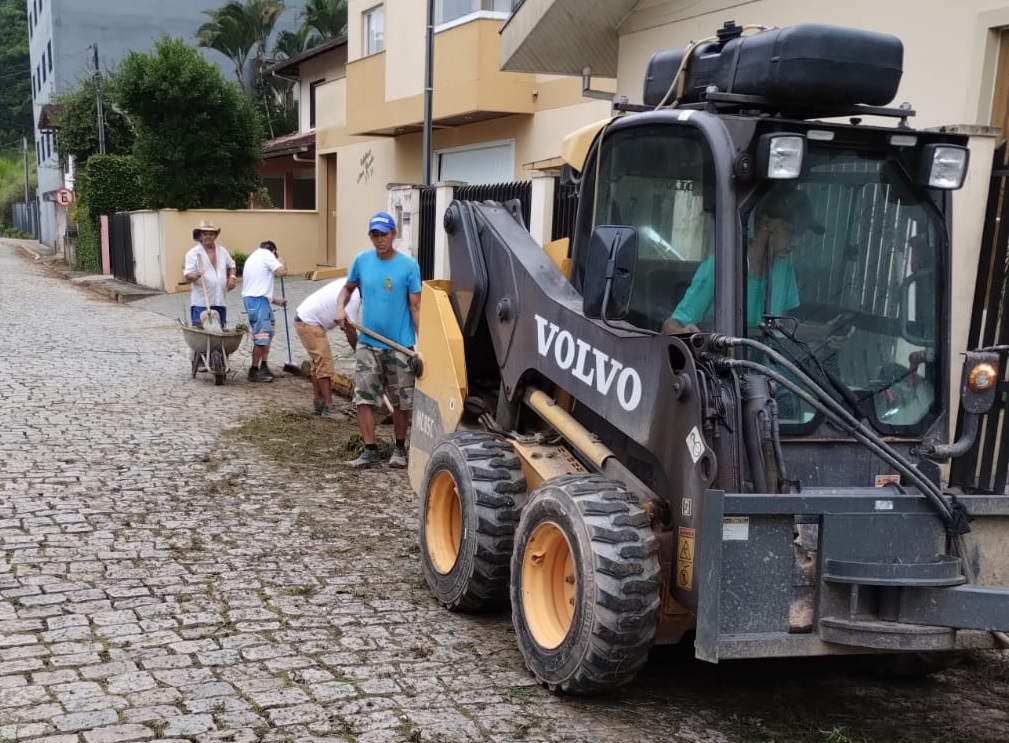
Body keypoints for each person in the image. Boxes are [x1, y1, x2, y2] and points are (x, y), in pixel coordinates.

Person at [662, 185, 824, 334]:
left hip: (765, 364)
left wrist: (824, 333)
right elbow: (670, 326)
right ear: (766, 223)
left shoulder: (784, 265)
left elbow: (781, 326)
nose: (796, 243)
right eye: (790, 231)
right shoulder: (720, 267)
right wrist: (683, 333)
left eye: (801, 235)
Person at [336, 211, 421, 469]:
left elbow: (416, 306)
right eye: (375, 234)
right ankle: (370, 449)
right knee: (363, 397)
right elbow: (347, 289)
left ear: (393, 234)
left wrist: (422, 344)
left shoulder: (409, 266)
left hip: (399, 346)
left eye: (384, 234)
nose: (379, 239)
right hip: (368, 343)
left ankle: (399, 448)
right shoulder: (362, 261)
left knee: (401, 402)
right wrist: (340, 308)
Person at [294, 277, 362, 419]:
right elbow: (350, 331)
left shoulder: (348, 284)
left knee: (317, 364)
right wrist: (360, 352)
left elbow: (346, 325)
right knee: (325, 363)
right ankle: (328, 408)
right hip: (309, 322)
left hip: (303, 318)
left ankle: (319, 402)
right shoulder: (353, 298)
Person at [241, 240, 288, 383]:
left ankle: (264, 366)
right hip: (257, 301)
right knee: (262, 336)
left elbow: (258, 285)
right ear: (274, 251)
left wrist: (275, 300)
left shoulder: (255, 256)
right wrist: (281, 261)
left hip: (260, 300)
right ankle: (254, 370)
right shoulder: (267, 254)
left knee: (268, 333)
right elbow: (282, 272)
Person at [183, 219, 237, 328]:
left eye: (211, 234)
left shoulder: (222, 251)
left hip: (219, 301)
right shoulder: (193, 254)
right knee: (201, 334)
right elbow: (187, 275)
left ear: (215, 236)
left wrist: (232, 277)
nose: (208, 236)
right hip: (201, 303)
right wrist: (196, 275)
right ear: (200, 236)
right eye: (205, 234)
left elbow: (232, 265)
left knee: (220, 332)